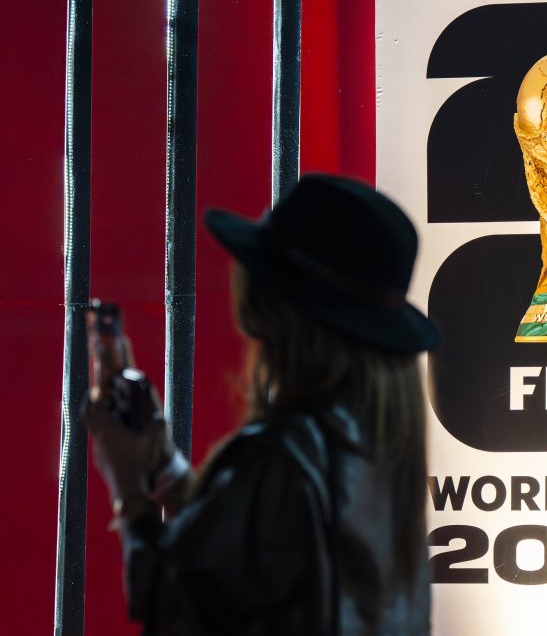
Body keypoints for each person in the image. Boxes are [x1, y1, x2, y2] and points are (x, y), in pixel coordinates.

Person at [84, 174, 439, 635]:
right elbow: (261, 558)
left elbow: (176, 606)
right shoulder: (379, 450)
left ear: (273, 311)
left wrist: (128, 487)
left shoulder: (280, 457)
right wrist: (164, 468)